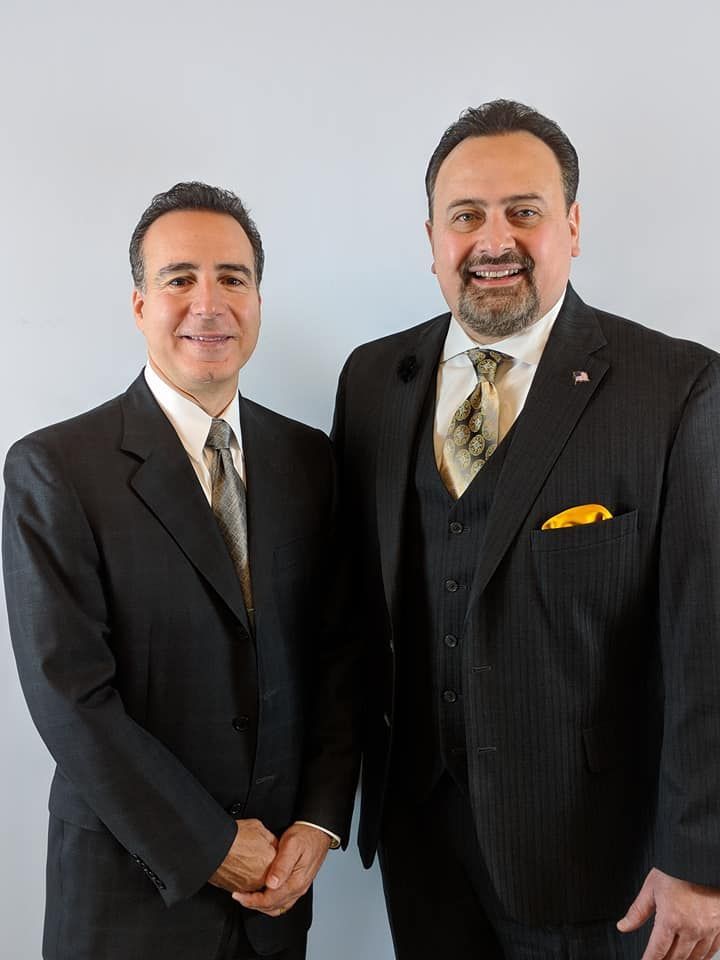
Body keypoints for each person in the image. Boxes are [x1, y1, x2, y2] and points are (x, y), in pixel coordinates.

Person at [331, 100, 720, 960]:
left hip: (598, 858)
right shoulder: (371, 380)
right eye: (465, 215)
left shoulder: (676, 387)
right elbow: (354, 614)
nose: (492, 239)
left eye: (524, 211)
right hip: (420, 840)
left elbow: (708, 639)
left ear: (572, 226)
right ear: (431, 237)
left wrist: (700, 859)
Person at [3, 181, 357, 960]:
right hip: (130, 893)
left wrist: (320, 819)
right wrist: (207, 843)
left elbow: (339, 653)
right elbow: (71, 698)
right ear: (139, 306)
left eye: (233, 277)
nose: (210, 302)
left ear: (259, 300)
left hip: (276, 897)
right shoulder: (54, 468)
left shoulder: (310, 461)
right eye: (180, 278)